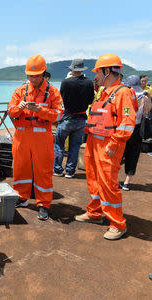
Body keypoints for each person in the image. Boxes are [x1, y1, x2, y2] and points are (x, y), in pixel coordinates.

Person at [75, 53, 136, 240]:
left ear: (107, 71)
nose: (96, 76)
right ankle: (95, 213)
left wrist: (115, 142)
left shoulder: (123, 93)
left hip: (109, 145)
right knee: (94, 179)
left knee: (108, 183)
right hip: (94, 142)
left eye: (98, 72)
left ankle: (117, 224)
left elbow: (127, 123)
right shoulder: (104, 93)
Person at [8, 54, 63, 220]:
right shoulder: (20, 91)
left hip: (42, 139)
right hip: (22, 137)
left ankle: (43, 204)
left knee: (43, 171)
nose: (33, 79)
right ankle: (21, 197)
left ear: (44, 73)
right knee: (20, 168)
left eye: (37, 76)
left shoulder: (53, 92)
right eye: (30, 76)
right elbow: (10, 110)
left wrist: (41, 110)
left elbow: (59, 115)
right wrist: (19, 107)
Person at [54, 59, 94, 178]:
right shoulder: (89, 82)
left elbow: (61, 101)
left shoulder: (66, 82)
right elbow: (90, 100)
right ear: (82, 70)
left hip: (67, 118)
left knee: (59, 144)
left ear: (71, 69)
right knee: (75, 146)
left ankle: (58, 169)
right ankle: (70, 171)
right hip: (81, 118)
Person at [120, 75, 152, 190]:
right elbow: (147, 111)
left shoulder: (127, 95)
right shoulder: (145, 96)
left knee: (119, 154)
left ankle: (112, 180)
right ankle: (126, 183)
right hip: (138, 129)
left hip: (125, 128)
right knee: (133, 156)